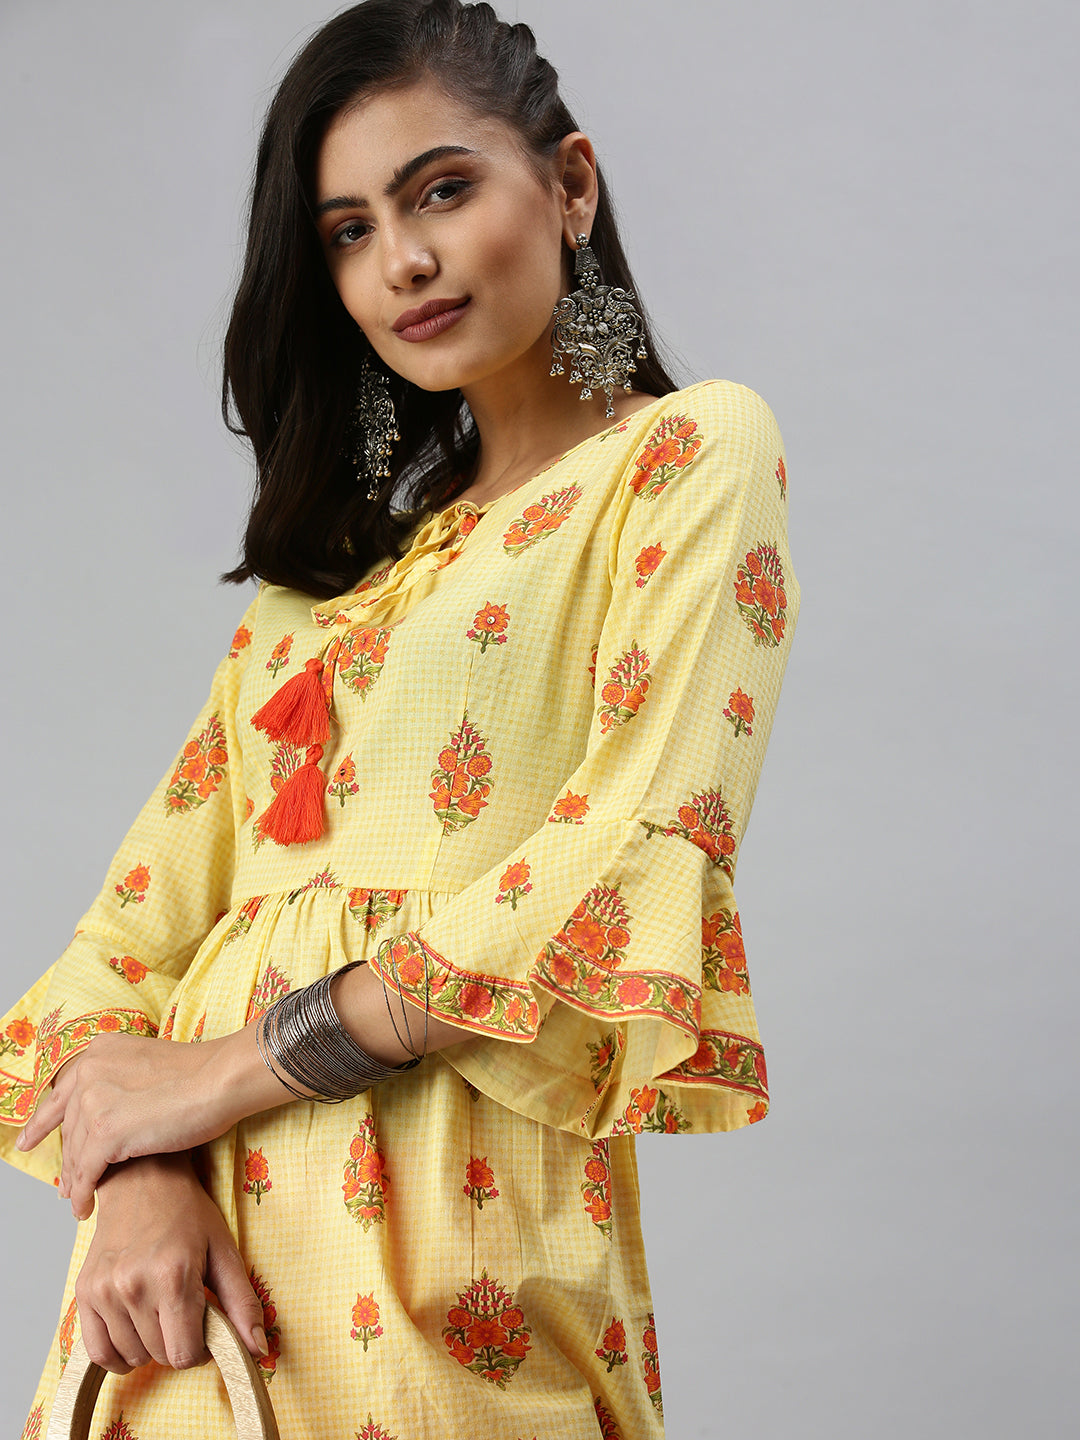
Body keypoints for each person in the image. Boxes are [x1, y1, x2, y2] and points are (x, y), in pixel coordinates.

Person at [1, 1, 800, 1435]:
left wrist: (218, 1077)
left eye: (440, 191)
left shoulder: (682, 457)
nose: (402, 262)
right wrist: (142, 1174)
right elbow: (114, 956)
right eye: (348, 231)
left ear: (569, 185)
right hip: (179, 1310)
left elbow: (625, 855)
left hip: (454, 1279)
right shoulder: (314, 598)